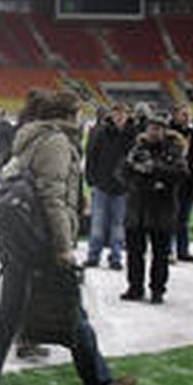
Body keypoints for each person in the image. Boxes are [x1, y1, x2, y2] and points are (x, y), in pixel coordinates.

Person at [0, 90, 135, 385]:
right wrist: (62, 247)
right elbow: (53, 197)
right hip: (41, 246)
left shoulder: (31, 138)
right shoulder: (56, 142)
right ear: (68, 114)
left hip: (21, 243)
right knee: (72, 315)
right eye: (80, 112)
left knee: (10, 317)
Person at [118, 116, 189, 304]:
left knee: (160, 254)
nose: (154, 132)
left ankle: (157, 290)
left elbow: (182, 174)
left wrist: (155, 169)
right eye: (151, 128)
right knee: (134, 252)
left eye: (158, 128)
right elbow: (122, 173)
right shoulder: (136, 149)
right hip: (137, 208)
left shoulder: (173, 150)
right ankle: (135, 287)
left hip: (161, 209)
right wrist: (136, 176)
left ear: (164, 130)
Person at [83, 106, 134, 269]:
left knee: (118, 224)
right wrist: (91, 178)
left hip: (122, 187)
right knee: (98, 223)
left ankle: (116, 256)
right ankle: (93, 254)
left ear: (127, 116)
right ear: (112, 116)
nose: (119, 117)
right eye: (116, 114)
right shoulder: (101, 133)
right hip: (102, 184)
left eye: (122, 115)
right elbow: (92, 155)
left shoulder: (131, 135)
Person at [173, 107, 193, 262]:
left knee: (183, 219)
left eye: (188, 115)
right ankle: (169, 250)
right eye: (183, 114)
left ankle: (182, 250)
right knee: (171, 217)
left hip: (190, 182)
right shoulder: (169, 133)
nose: (186, 117)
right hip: (173, 181)